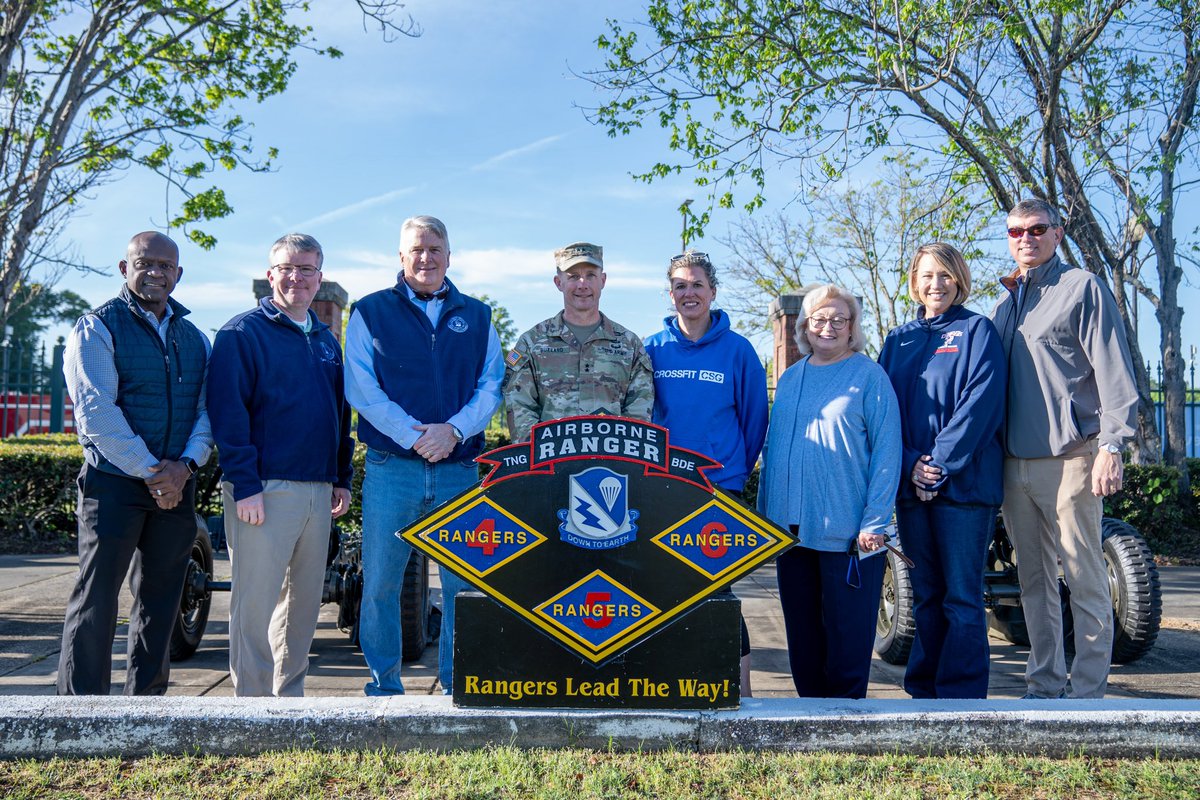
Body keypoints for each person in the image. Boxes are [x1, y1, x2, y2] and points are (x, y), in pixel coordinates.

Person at [345, 215, 503, 696]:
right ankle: (384, 688)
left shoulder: (477, 315)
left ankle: (459, 686)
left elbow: (491, 385)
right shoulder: (369, 311)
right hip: (392, 470)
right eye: (416, 249)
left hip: (459, 470)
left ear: (449, 256)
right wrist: (416, 435)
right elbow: (361, 388)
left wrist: (453, 431)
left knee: (464, 588)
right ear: (400, 257)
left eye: (435, 249)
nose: (426, 258)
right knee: (381, 585)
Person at [991, 198, 1138, 699]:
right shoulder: (1004, 304)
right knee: (1033, 584)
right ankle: (1045, 686)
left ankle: (1089, 695)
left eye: (1036, 229)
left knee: (1084, 577)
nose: (1025, 239)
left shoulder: (1082, 289)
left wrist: (1112, 445)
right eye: (1015, 231)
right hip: (1015, 467)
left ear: (1057, 232)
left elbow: (1115, 374)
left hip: (1073, 458)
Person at [57, 231, 212, 695]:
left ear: (178, 275)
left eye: (166, 266)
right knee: (96, 598)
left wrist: (184, 466)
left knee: (161, 599)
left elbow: (208, 412)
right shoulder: (97, 326)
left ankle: (147, 705)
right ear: (125, 269)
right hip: (115, 485)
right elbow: (96, 413)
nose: (156, 273)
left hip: (176, 485)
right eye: (145, 263)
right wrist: (153, 472)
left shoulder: (195, 338)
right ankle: (80, 711)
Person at [208, 233, 354, 697]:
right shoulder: (240, 334)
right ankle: (251, 709)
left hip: (317, 490)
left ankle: (287, 703)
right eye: (287, 268)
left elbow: (339, 414)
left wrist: (341, 477)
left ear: (319, 276)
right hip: (264, 491)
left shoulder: (326, 340)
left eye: (306, 269)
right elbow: (228, 414)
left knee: (302, 606)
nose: (297, 277)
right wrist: (245, 485)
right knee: (254, 607)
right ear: (271, 275)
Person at [758, 284, 901, 699]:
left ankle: (846, 724)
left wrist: (876, 520)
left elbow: (887, 453)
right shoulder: (790, 378)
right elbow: (774, 449)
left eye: (840, 319)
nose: (829, 327)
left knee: (846, 643)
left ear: (852, 327)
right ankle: (810, 721)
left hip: (850, 535)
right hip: (790, 534)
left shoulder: (869, 376)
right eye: (819, 319)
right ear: (804, 325)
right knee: (803, 640)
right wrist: (766, 521)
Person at [878, 243, 1006, 699]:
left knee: (961, 598)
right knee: (926, 596)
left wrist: (938, 465)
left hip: (965, 490)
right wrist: (912, 464)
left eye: (945, 276)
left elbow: (981, 405)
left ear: (959, 281)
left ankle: (963, 698)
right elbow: (883, 411)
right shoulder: (898, 340)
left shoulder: (977, 331)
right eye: (928, 276)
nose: (936, 285)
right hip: (912, 490)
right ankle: (924, 693)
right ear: (915, 281)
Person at [643, 250, 767, 695]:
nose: (689, 292)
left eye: (697, 284)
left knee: (719, 590)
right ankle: (674, 682)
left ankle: (743, 689)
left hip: (719, 489)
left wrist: (731, 470)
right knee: (664, 590)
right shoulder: (652, 348)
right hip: (664, 488)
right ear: (670, 293)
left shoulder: (739, 350)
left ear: (712, 291)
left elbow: (755, 421)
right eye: (680, 285)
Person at [504, 242, 654, 441]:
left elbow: (639, 410)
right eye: (573, 276)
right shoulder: (532, 343)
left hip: (613, 465)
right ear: (559, 282)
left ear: (603, 280)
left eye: (591, 275)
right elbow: (519, 404)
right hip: (547, 463)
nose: (583, 284)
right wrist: (540, 452)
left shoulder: (629, 345)